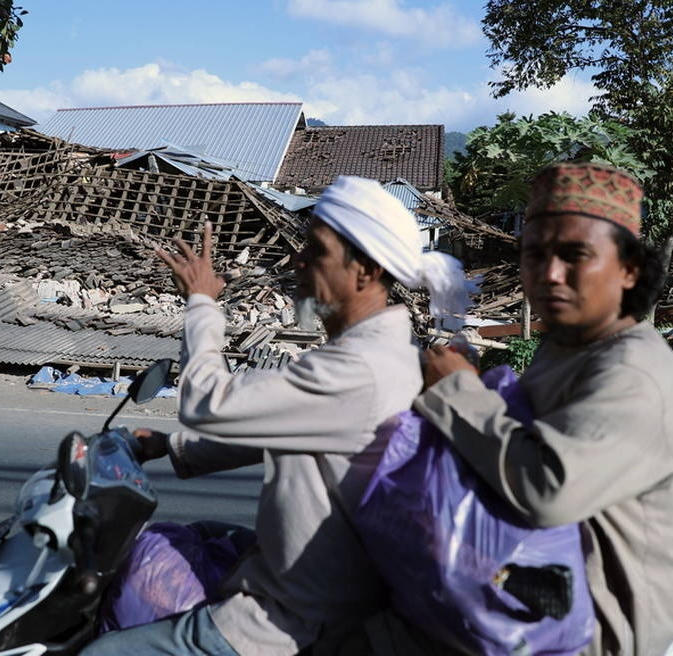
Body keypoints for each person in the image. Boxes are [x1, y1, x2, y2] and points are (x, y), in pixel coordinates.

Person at [79, 176, 474, 656]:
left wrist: (202, 303)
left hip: (290, 618)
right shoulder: (383, 354)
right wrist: (170, 447)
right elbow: (294, 430)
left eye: (316, 251)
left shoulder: (357, 369)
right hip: (319, 579)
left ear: (365, 271)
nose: (297, 261)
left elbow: (209, 403)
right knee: (199, 537)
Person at [413, 161, 673, 656]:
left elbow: (549, 488)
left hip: (585, 637)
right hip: (519, 611)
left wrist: (456, 394)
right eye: (535, 255)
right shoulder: (568, 348)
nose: (550, 274)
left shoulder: (634, 374)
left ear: (629, 269)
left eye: (575, 255)